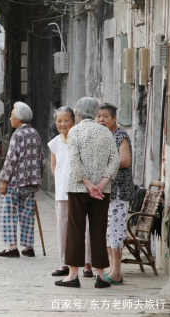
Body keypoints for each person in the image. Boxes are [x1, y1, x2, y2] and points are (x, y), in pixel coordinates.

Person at [54, 97, 119, 288]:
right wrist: (101, 183)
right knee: (99, 230)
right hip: (102, 190)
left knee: (75, 230)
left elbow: (75, 161)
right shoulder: (106, 132)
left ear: (79, 112)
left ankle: (73, 275)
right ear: (95, 111)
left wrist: (88, 184)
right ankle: (100, 275)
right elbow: (114, 161)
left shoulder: (74, 132)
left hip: (78, 188)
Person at [48, 107, 93, 277]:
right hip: (62, 191)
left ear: (74, 121)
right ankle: (63, 263)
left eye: (66, 120)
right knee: (62, 228)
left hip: (80, 190)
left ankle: (87, 264)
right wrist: (59, 179)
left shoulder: (80, 139)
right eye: (59, 121)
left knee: (85, 226)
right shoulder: (55, 143)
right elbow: (54, 165)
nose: (62, 124)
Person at [0, 102, 44, 258]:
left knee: (8, 214)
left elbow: (11, 160)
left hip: (15, 182)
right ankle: (28, 247)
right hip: (30, 183)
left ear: (19, 118)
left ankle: (12, 248)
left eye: (12, 114)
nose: (10, 117)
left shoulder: (17, 134)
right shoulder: (35, 133)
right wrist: (38, 180)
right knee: (27, 215)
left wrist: (3, 181)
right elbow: (41, 158)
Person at [97, 103, 134, 285]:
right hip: (108, 191)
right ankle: (112, 268)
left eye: (105, 116)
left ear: (114, 119)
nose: (101, 119)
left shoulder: (120, 135)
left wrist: (107, 162)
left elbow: (125, 161)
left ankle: (117, 272)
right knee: (108, 231)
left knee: (116, 231)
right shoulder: (105, 136)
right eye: (99, 116)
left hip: (119, 191)